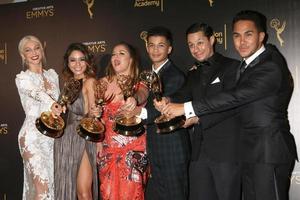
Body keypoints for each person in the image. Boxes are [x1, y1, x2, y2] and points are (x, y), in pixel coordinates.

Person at [161, 10, 298, 200]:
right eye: (236, 35)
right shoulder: (248, 65)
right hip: (249, 152)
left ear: (261, 36)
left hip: (268, 152)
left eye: (248, 34)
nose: (241, 41)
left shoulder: (270, 65)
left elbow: (234, 97)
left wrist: (187, 108)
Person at [160, 23, 241, 200]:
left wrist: (198, 119)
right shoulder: (193, 73)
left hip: (226, 152)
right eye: (191, 45)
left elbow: (230, 105)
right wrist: (169, 99)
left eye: (200, 43)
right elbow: (184, 93)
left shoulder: (232, 67)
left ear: (212, 40)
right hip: (198, 152)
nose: (195, 49)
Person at [136, 26, 190, 200]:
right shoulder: (146, 76)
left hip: (172, 149)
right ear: (146, 47)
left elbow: (160, 108)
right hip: (155, 148)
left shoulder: (175, 76)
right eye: (151, 45)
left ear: (169, 49)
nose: (155, 50)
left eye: (160, 45)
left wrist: (138, 113)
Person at [97, 42, 149, 200]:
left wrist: (134, 98)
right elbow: (96, 117)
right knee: (108, 194)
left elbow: (143, 94)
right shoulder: (102, 84)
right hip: (108, 149)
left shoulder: (139, 83)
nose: (116, 57)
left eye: (121, 53)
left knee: (132, 194)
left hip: (133, 149)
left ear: (131, 60)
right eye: (113, 54)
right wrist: (98, 141)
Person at [15, 35, 62, 200]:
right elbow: (36, 93)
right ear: (23, 55)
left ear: (42, 50)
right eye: (28, 50)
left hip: (51, 139)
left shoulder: (53, 75)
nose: (33, 53)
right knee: (42, 189)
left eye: (36, 48)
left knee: (52, 190)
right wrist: (52, 104)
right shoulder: (23, 78)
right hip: (32, 137)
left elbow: (59, 103)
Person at [54, 43, 100, 200]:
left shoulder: (90, 82)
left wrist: (95, 114)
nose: (77, 64)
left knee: (83, 191)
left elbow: (94, 115)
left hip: (84, 137)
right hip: (65, 139)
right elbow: (61, 114)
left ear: (87, 61)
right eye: (73, 60)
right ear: (68, 63)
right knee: (68, 187)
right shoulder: (68, 84)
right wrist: (56, 110)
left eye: (81, 59)